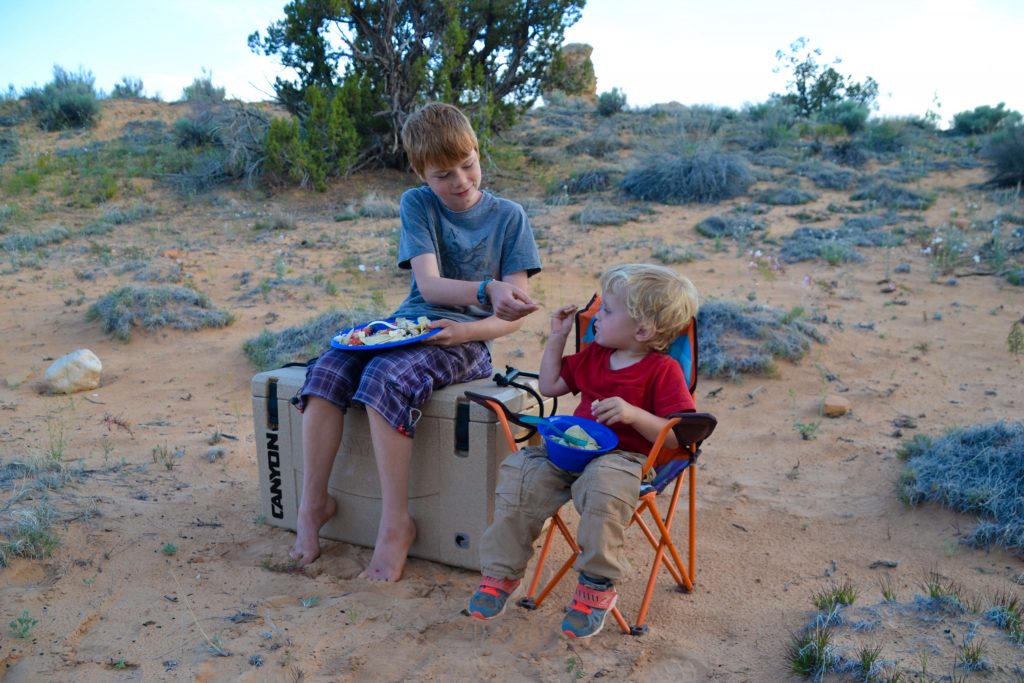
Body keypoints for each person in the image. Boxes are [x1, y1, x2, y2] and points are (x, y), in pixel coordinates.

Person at [290, 102, 541, 581]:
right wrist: (487, 289)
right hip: (411, 324)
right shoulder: (417, 204)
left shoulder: (510, 217)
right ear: (419, 172)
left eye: (468, 165)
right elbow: (428, 287)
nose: (461, 182)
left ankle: (394, 524)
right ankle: (312, 506)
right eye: (444, 174)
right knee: (327, 369)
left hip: (467, 338)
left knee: (386, 377)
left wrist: (468, 327)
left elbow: (512, 318)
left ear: (477, 151)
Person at [467, 263, 699, 638]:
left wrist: (634, 414)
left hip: (625, 460)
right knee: (521, 472)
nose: (596, 318)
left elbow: (677, 436)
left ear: (641, 331)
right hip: (569, 452)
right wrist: (557, 336)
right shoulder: (596, 356)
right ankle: (501, 574)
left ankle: (597, 585)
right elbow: (550, 384)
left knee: (605, 485)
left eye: (607, 311)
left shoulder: (663, 370)